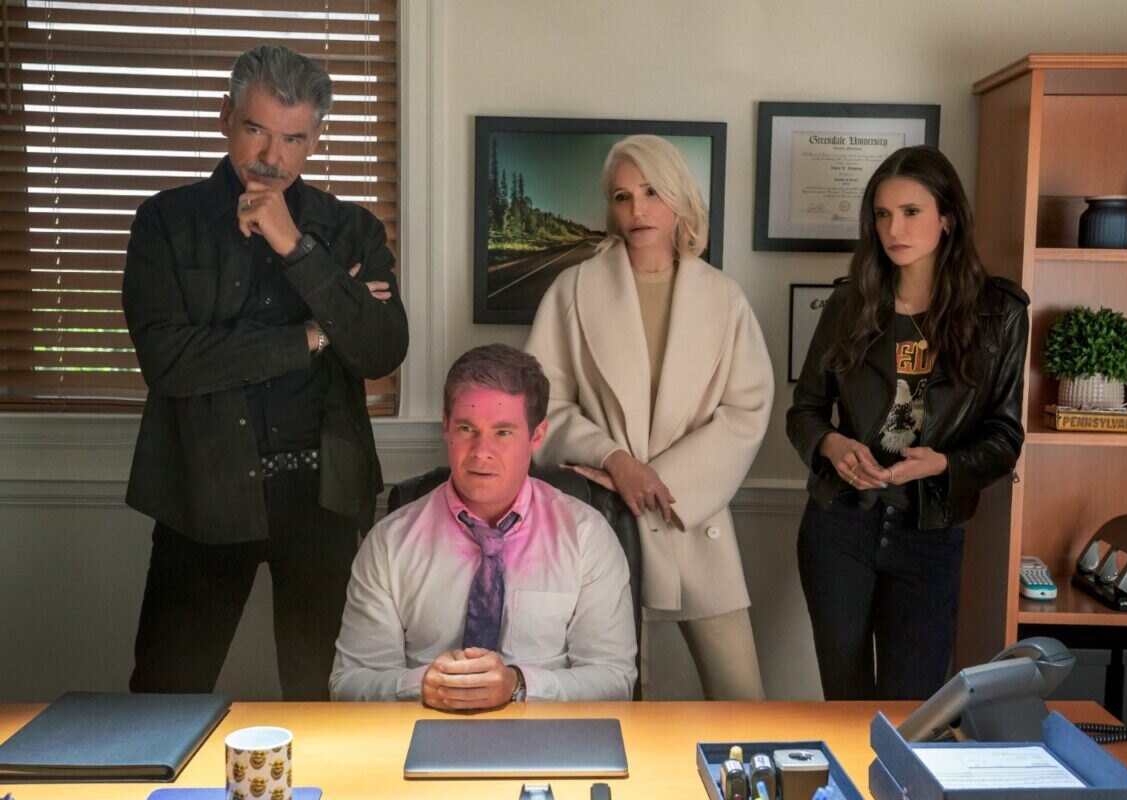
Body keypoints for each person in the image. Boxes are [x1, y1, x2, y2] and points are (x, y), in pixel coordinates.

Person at [122, 45, 409, 700]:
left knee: (325, 696)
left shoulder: (350, 229)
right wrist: (313, 333)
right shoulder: (165, 221)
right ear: (226, 117)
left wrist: (294, 246)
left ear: (315, 139)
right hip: (203, 490)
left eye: (294, 138)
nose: (272, 157)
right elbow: (170, 362)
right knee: (164, 694)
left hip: (323, 496)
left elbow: (379, 351)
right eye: (256, 129)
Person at [525, 135, 773, 701]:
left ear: (679, 199)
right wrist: (615, 460)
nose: (638, 209)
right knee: (615, 700)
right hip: (605, 517)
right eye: (623, 196)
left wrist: (658, 481)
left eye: (652, 192)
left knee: (742, 702)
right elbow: (543, 405)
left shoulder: (724, 298)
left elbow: (747, 409)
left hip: (694, 519)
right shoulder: (573, 291)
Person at [787, 145, 1029, 701]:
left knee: (912, 705)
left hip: (931, 532)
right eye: (882, 214)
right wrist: (831, 444)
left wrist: (944, 463)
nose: (894, 229)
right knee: (844, 701)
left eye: (911, 211)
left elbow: (1004, 437)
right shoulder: (849, 305)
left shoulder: (1001, 313)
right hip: (840, 526)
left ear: (948, 218)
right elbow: (804, 410)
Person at [329, 344, 637, 706]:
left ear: (536, 436)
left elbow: (614, 679)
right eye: (466, 428)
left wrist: (519, 685)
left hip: (547, 731)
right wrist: (420, 684)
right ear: (446, 426)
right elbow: (349, 682)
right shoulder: (390, 542)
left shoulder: (586, 536)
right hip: (423, 724)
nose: (480, 451)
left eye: (503, 432)